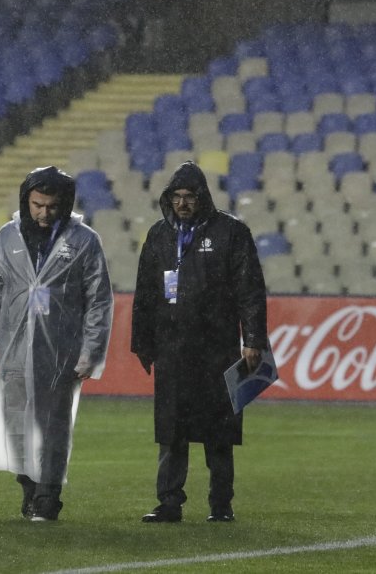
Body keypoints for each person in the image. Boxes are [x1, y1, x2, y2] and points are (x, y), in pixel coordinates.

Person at [131, 160, 267, 524]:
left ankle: (221, 504)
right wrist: (142, 341)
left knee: (219, 431)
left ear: (202, 197)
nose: (182, 203)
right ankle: (169, 503)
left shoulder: (231, 231)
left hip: (217, 348)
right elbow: (145, 291)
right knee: (171, 430)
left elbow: (250, 290)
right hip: (172, 348)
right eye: (176, 197)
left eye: (189, 196)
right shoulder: (159, 235)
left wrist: (253, 339)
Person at [0, 166, 113, 521]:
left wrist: (92, 350)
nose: (43, 213)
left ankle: (48, 496)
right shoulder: (7, 236)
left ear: (65, 204)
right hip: (13, 345)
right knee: (15, 423)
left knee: (53, 424)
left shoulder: (84, 240)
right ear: (26, 201)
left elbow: (98, 298)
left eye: (51, 206)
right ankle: (28, 487)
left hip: (61, 347)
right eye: (37, 204)